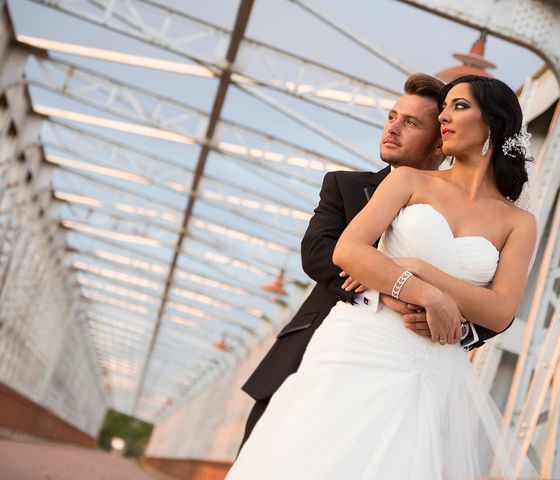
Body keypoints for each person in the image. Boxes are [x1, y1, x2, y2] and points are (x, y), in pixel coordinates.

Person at [227, 75, 538, 479]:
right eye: (442, 109)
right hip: (359, 342)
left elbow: (500, 311)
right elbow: (341, 251)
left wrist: (428, 276)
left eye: (458, 107)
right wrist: (421, 292)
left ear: (494, 123)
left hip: (432, 365)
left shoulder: (519, 222)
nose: (445, 116)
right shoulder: (404, 180)